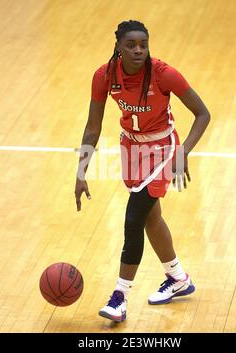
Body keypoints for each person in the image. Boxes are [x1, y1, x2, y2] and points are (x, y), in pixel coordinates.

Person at [75, 20, 210, 322]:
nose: (139, 51)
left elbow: (203, 113)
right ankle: (178, 278)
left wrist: (182, 151)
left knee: (133, 218)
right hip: (131, 148)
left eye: (144, 45)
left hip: (163, 149)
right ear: (119, 48)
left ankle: (120, 297)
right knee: (151, 217)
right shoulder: (105, 76)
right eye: (131, 46)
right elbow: (92, 127)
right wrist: (81, 172)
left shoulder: (164, 74)